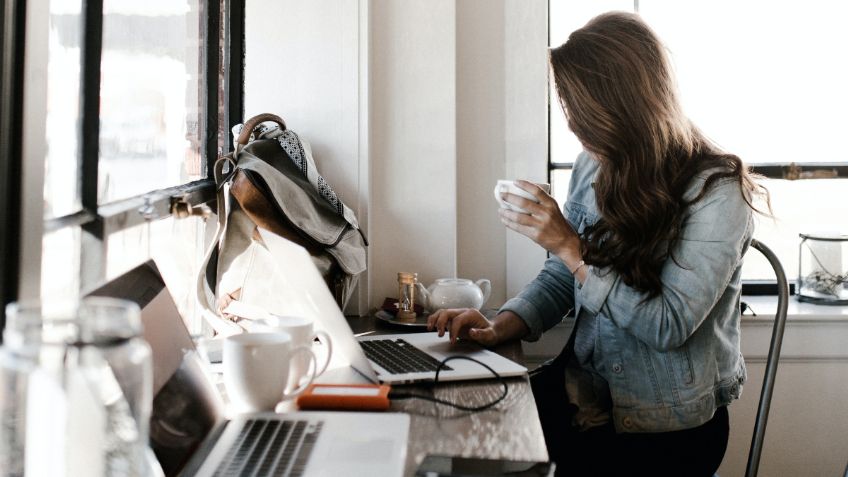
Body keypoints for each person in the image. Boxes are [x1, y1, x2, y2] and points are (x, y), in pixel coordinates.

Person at [428, 11, 768, 477]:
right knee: (462, 430)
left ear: (625, 106)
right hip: (585, 394)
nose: (575, 129)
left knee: (494, 452)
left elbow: (667, 326)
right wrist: (500, 324)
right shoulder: (596, 165)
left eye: (581, 113)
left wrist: (571, 246)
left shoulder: (718, 193)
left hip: (665, 429)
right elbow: (561, 274)